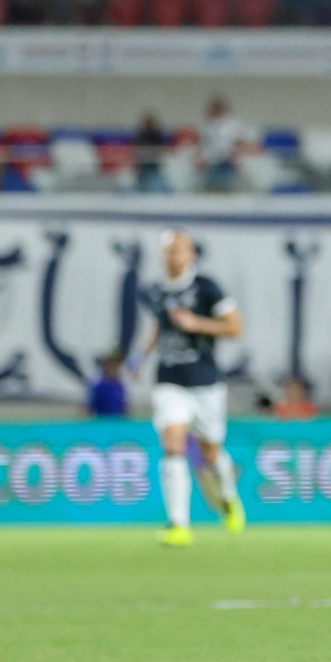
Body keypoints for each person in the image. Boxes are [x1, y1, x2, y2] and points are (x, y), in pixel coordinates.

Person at [127, 229, 245, 545]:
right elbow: (158, 327)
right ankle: (179, 524)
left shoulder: (207, 288)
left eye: (179, 250)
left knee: (210, 452)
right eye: (168, 251)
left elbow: (234, 327)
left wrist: (197, 324)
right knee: (173, 444)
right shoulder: (156, 292)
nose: (173, 257)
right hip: (170, 382)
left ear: (191, 254)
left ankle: (229, 496)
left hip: (205, 382)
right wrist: (140, 356)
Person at [197, 95, 246, 192]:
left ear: (224, 108)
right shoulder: (205, 125)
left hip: (229, 161)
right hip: (211, 162)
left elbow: (240, 142)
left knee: (229, 187)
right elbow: (202, 144)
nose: (216, 110)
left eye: (218, 107)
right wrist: (201, 157)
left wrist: (234, 155)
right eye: (214, 108)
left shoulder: (234, 124)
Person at [87, 351, 129, 418]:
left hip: (118, 422)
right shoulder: (98, 386)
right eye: (110, 365)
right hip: (102, 423)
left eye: (116, 365)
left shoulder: (119, 385)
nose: (113, 368)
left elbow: (124, 407)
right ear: (104, 366)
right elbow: (89, 409)